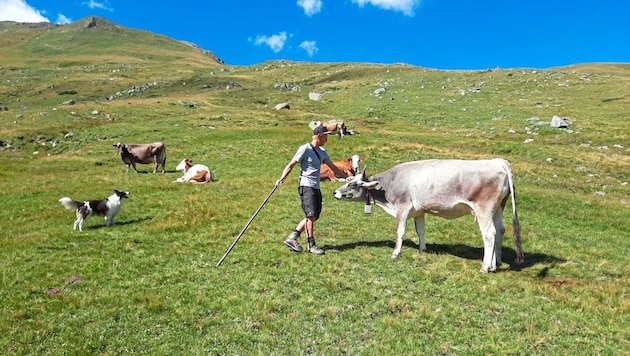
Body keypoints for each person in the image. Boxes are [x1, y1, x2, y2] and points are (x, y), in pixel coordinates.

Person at [275, 125, 349, 255]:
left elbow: (334, 168)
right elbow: (291, 165)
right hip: (306, 185)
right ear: (319, 136)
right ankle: (311, 245)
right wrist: (281, 179)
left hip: (316, 186)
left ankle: (293, 237)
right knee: (310, 215)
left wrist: (347, 178)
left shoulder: (322, 152)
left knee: (314, 216)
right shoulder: (304, 149)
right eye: (325, 136)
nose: (327, 139)